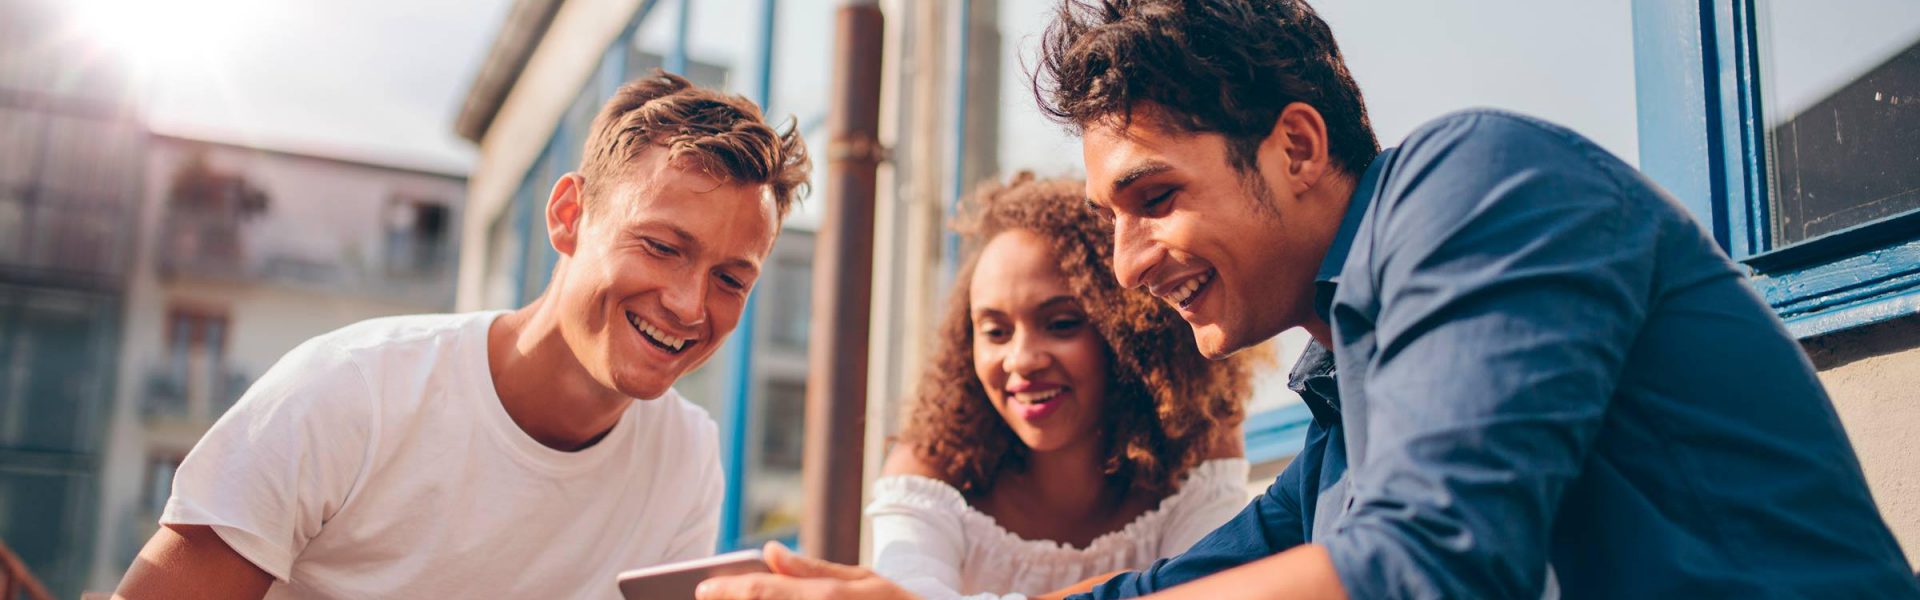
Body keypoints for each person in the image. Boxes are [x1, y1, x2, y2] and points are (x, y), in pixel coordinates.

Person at [697, 0, 1920, 598]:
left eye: (1154, 197)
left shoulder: (1480, 182)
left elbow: (1425, 563)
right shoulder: (1353, 375)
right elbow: (1203, 574)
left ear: (1294, 145)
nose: (1126, 264)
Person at [115, 71, 811, 599]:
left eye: (731, 280)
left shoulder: (686, 459)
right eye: (661, 246)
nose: (691, 304)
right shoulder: (353, 391)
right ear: (569, 216)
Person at [868, 174, 1254, 599]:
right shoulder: (930, 471)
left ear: (1130, 333)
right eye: (996, 332)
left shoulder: (1200, 448)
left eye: (1062, 324)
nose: (1022, 359)